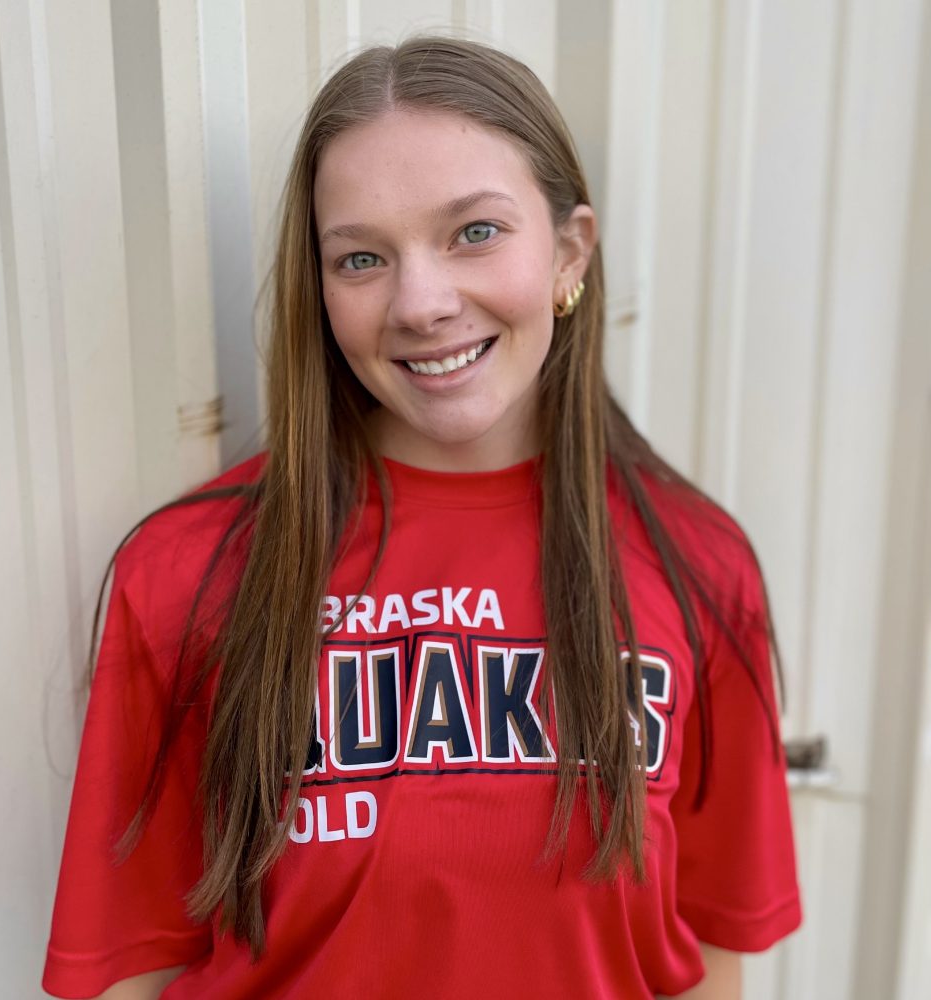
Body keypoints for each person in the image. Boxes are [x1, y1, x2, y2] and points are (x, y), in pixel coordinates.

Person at [42, 35, 801, 1000]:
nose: (422, 303)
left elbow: (712, 958)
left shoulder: (698, 564)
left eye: (475, 232)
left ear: (569, 252)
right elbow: (132, 969)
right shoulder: (187, 571)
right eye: (361, 258)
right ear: (321, 289)